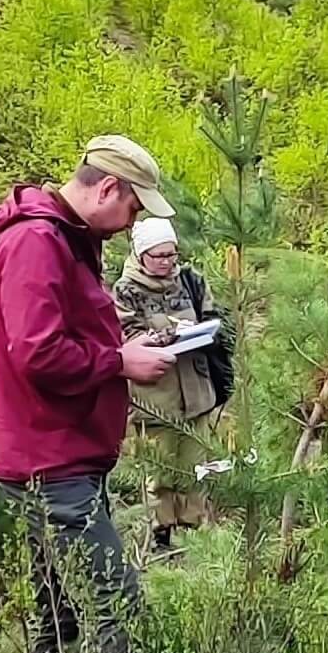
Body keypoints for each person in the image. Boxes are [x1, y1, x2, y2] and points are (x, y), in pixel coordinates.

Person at [0, 135, 177, 653]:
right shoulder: (38, 243)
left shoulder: (63, 239)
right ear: (108, 190)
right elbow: (38, 354)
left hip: (50, 457)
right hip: (49, 462)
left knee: (56, 613)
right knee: (117, 610)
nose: (131, 226)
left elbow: (61, 338)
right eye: (132, 209)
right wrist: (120, 363)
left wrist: (118, 349)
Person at [114, 219, 226, 550]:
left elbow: (213, 316)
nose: (167, 262)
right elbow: (125, 336)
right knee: (161, 468)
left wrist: (206, 331)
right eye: (159, 255)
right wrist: (165, 337)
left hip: (195, 388)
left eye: (172, 255)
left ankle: (192, 528)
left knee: (195, 465)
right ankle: (160, 535)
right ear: (141, 254)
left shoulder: (190, 280)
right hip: (155, 395)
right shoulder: (126, 290)